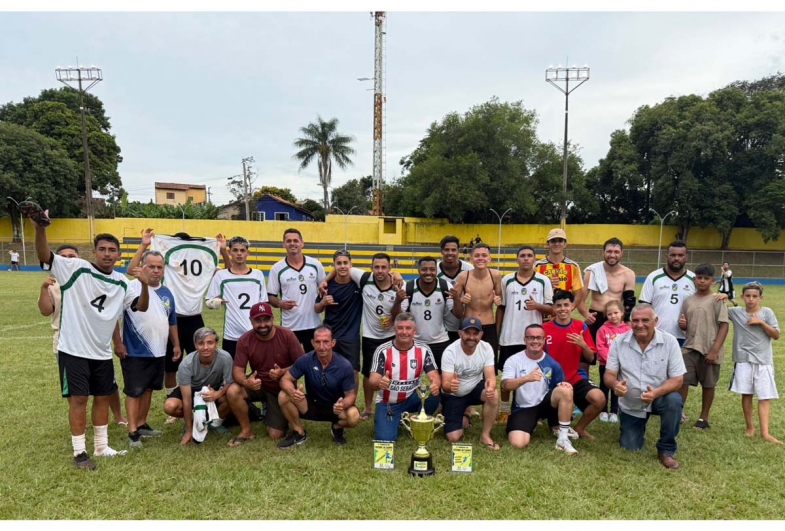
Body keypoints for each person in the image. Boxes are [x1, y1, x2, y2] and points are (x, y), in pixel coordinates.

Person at [30, 207, 150, 470]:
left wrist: (143, 284)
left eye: (112, 250)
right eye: (103, 249)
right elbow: (44, 256)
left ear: (119, 255)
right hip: (73, 349)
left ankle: (101, 446)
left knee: (103, 398)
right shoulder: (77, 268)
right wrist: (40, 229)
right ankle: (79, 452)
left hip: (101, 352)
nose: (107, 254)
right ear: (95, 251)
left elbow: (140, 306)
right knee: (79, 400)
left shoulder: (121, 282)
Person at [37, 244, 128, 428]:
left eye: (72, 255)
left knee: (108, 386)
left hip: (95, 341)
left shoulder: (89, 279)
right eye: (63, 256)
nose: (68, 259)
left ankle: (118, 416)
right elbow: (46, 311)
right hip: (67, 342)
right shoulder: (54, 284)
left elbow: (107, 315)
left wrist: (117, 343)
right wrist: (43, 289)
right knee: (76, 390)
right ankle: (80, 424)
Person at [136, 229, 223, 415]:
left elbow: (223, 271)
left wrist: (222, 250)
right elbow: (137, 268)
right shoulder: (165, 264)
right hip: (172, 320)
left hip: (194, 319)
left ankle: (202, 398)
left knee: (202, 360)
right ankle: (172, 398)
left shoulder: (203, 262)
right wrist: (145, 244)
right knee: (170, 365)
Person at [604, 304, 686, 470]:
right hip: (632, 403)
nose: (640, 324)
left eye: (645, 320)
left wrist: (656, 393)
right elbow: (609, 374)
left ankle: (666, 450)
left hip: (659, 398)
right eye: (635, 320)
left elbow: (678, 379)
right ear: (630, 322)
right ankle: (635, 427)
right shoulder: (619, 342)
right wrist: (615, 385)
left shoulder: (669, 342)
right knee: (631, 446)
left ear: (656, 321)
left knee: (674, 400)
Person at [115, 249, 181, 449]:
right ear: (142, 266)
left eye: (159, 267)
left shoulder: (167, 292)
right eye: (150, 266)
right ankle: (133, 431)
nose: (155, 270)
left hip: (159, 351)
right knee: (134, 391)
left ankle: (142, 424)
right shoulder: (130, 288)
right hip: (135, 351)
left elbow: (172, 321)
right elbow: (114, 318)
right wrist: (118, 342)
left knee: (149, 389)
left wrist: (176, 344)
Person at [321, 253, 399, 420]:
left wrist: (393, 317)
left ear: (389, 269)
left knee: (394, 371)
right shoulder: (364, 278)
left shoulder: (398, 284)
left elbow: (404, 310)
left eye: (384, 267)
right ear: (371, 268)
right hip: (370, 335)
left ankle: (394, 404)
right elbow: (342, 268)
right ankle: (368, 407)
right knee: (368, 373)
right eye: (376, 267)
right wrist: (325, 281)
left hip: (391, 336)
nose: (380, 270)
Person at [226, 302, 304, 446]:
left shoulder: (287, 335)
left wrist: (282, 371)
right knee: (233, 390)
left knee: (275, 434)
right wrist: (246, 382)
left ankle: (272, 409)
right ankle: (246, 431)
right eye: (258, 320)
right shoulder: (244, 340)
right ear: (251, 321)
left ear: (272, 319)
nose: (263, 324)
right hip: (259, 384)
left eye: (266, 319)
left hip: (280, 389)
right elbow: (237, 371)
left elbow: (302, 363)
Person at [496, 245, 553, 423]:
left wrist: (538, 306)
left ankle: (533, 408)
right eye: (522, 256)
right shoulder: (507, 280)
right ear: (517, 259)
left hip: (533, 339)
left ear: (535, 259)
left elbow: (551, 308)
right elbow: (501, 308)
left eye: (529, 255)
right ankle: (505, 410)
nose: (526, 258)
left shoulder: (543, 280)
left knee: (534, 374)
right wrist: (498, 335)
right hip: (510, 336)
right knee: (508, 376)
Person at [277, 325, 360, 448]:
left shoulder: (344, 365)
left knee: (354, 416)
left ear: (333, 343)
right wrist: (293, 392)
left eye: (326, 342)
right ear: (312, 343)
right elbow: (285, 379)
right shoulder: (305, 359)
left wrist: (342, 405)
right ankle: (299, 432)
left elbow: (351, 395)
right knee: (283, 395)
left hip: (335, 407)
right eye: (318, 342)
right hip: (311, 404)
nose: (321, 347)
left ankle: (337, 427)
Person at [501, 324, 578, 455]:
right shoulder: (513, 360)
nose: (535, 341)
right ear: (525, 340)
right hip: (523, 408)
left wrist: (566, 386)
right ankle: (533, 424)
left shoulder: (553, 364)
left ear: (544, 340)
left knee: (565, 390)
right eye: (531, 337)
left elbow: (561, 390)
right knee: (518, 443)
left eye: (539, 338)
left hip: (545, 405)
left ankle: (563, 438)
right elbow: (505, 385)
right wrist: (526, 378)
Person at [542, 290, 606, 439]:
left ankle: (580, 428)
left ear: (572, 307)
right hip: (553, 382)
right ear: (554, 308)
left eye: (566, 305)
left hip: (574, 378)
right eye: (559, 305)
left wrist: (583, 345)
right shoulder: (545, 329)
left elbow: (590, 358)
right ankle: (553, 420)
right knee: (555, 427)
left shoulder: (580, 327)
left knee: (599, 398)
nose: (562, 309)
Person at [369, 312, 442, 442]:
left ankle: (418, 424)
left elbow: (434, 376)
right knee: (386, 440)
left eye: (408, 328)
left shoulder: (423, 349)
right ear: (394, 329)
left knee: (433, 394)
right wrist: (380, 382)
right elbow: (373, 380)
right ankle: (392, 420)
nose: (404, 332)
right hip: (388, 402)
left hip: (412, 397)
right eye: (400, 328)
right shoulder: (383, 350)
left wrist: (435, 385)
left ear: (415, 331)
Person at [677, 263, 729, 430]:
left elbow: (724, 326)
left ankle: (703, 417)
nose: (702, 281)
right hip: (690, 346)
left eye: (706, 278)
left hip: (709, 348)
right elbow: (686, 324)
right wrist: (683, 325)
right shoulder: (688, 300)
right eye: (699, 278)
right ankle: (678, 412)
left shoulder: (717, 300)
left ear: (713, 281)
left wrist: (714, 350)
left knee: (708, 384)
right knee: (682, 380)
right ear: (694, 279)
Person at [727, 282, 781, 444]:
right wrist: (723, 296)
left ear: (760, 298)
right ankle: (750, 427)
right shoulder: (735, 313)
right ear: (742, 297)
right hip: (743, 360)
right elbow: (716, 310)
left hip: (763, 360)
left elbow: (776, 335)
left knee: (764, 396)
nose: (751, 299)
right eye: (748, 296)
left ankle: (765, 432)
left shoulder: (767, 313)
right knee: (747, 393)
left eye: (754, 296)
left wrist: (761, 323)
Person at [163, 327, 234, 446]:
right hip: (192, 389)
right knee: (170, 406)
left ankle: (215, 424)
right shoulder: (186, 364)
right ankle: (191, 422)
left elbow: (229, 382)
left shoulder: (225, 357)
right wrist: (190, 431)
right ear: (195, 345)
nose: (206, 347)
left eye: (210, 343)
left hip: (214, 388)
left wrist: (217, 394)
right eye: (201, 343)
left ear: (216, 344)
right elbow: (186, 400)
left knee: (232, 394)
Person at [440, 317, 500, 450]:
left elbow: (490, 376)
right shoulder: (450, 352)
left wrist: (490, 388)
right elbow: (445, 385)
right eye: (467, 333)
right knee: (454, 437)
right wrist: (451, 386)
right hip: (454, 395)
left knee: (493, 394)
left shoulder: (486, 348)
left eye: (475, 333)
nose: (471, 337)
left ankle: (485, 435)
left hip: (474, 388)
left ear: (481, 335)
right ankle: (461, 413)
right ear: (460, 333)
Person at [206, 235, 268, 358]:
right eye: (235, 250)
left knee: (260, 371)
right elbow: (208, 301)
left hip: (255, 331)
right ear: (230, 252)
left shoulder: (257, 275)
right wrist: (217, 302)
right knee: (232, 373)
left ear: (248, 253)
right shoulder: (221, 276)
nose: (239, 254)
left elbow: (264, 303)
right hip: (231, 334)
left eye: (242, 250)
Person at [267, 228, 326, 350]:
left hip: (313, 324)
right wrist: (279, 303)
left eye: (295, 240)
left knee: (315, 361)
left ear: (302, 243)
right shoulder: (277, 268)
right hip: (290, 325)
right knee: (291, 363)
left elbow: (324, 289)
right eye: (288, 241)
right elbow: (270, 296)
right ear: (284, 244)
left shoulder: (315, 265)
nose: (292, 243)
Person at [391, 256, 454, 369]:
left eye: (432, 269)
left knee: (442, 379)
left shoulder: (445, 286)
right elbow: (398, 316)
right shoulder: (409, 287)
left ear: (436, 271)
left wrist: (458, 299)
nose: (428, 272)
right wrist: (397, 301)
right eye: (424, 269)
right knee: (410, 377)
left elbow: (458, 314)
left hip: (440, 341)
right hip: (415, 341)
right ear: (418, 270)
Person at [449, 243, 503, 370]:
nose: (480, 258)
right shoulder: (463, 276)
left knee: (488, 365)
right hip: (468, 325)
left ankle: (488, 389)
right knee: (465, 365)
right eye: (477, 255)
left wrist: (498, 300)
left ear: (489, 259)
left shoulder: (495, 275)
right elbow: (455, 302)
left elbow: (500, 303)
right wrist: (461, 300)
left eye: (484, 255)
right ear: (471, 259)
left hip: (488, 325)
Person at [314, 250, 363, 382]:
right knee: (330, 368)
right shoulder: (326, 287)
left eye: (345, 263)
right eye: (339, 263)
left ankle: (351, 401)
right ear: (334, 265)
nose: (342, 266)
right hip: (331, 334)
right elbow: (317, 309)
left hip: (351, 336)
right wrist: (323, 303)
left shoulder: (359, 284)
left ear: (351, 264)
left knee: (353, 371)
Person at [578, 237, 636, 342]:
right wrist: (587, 315)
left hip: (616, 318)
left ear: (622, 253)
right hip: (595, 318)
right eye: (609, 251)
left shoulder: (628, 274)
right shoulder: (592, 271)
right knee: (589, 354)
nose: (612, 255)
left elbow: (629, 304)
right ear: (603, 253)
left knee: (616, 353)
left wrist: (627, 324)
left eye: (616, 252)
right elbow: (580, 300)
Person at [639, 240, 696, 347]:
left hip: (685, 336)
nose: (676, 258)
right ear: (666, 256)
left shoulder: (694, 279)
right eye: (673, 255)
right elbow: (644, 307)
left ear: (686, 257)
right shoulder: (653, 277)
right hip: (657, 334)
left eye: (680, 255)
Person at [534, 228, 586, 315]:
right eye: (553, 241)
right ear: (548, 244)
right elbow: (532, 289)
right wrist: (546, 283)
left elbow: (578, 294)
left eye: (560, 241)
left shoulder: (573, 266)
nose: (557, 244)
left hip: (563, 316)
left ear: (565, 244)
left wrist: (569, 308)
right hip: (541, 315)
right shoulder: (537, 266)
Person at [595, 300, 630, 423]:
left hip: (621, 366)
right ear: (606, 315)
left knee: (617, 388)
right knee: (604, 387)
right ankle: (603, 410)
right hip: (605, 365)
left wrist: (621, 362)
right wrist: (611, 361)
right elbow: (600, 347)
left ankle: (614, 411)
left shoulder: (627, 330)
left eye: (616, 313)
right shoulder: (602, 329)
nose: (613, 316)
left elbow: (629, 347)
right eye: (610, 314)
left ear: (622, 313)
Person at [436, 235, 474, 343]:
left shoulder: (469, 269)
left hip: (464, 324)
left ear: (458, 251)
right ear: (441, 251)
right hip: (441, 326)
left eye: (453, 250)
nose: (450, 253)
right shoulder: (434, 269)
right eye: (447, 250)